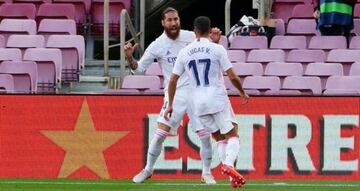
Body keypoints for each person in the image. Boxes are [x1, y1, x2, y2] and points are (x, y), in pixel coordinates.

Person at [124, 7, 222, 184]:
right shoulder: (157, 45)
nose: (173, 23)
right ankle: (147, 169)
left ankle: (206, 173)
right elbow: (138, 70)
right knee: (160, 133)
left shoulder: (192, 37)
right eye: (169, 20)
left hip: (196, 93)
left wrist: (214, 42)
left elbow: (209, 53)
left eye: (175, 19)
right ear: (163, 23)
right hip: (174, 95)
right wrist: (130, 58)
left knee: (205, 136)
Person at [164, 16, 249, 188]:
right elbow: (232, 76)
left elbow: (172, 80)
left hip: (198, 103)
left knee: (219, 139)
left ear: (195, 31)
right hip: (217, 97)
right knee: (233, 135)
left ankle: (231, 176)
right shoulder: (217, 49)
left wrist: (171, 104)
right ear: (210, 31)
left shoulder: (185, 51)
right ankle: (229, 165)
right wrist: (242, 92)